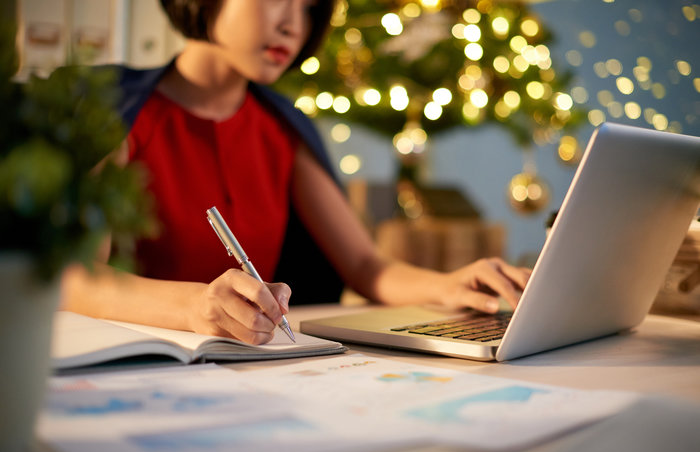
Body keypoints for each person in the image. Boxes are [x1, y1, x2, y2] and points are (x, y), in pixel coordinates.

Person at [61, 0, 530, 345]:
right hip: (139, 365)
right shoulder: (116, 109)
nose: (292, 23)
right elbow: (76, 276)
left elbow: (366, 266)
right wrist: (195, 306)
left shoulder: (283, 128)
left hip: (255, 371)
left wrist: (450, 284)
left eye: (308, 8)